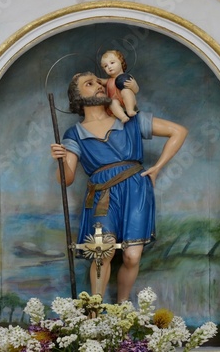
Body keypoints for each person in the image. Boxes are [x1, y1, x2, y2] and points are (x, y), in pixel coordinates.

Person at [50, 72, 187, 302]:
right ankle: (94, 313)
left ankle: (121, 309)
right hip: (102, 194)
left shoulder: (131, 120)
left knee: (132, 256)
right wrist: (61, 159)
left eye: (98, 81)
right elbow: (67, 179)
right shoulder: (74, 133)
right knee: (102, 251)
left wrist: (157, 167)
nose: (99, 86)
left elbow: (179, 131)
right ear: (77, 96)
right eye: (89, 83)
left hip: (136, 190)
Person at [99, 50, 138, 123]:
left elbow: (136, 90)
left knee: (126, 91)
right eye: (105, 66)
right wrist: (93, 78)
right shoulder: (108, 81)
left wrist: (133, 85)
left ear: (121, 62)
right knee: (112, 102)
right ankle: (123, 116)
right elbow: (99, 81)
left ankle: (130, 110)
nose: (109, 67)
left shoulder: (127, 77)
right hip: (116, 104)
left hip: (128, 102)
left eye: (112, 63)